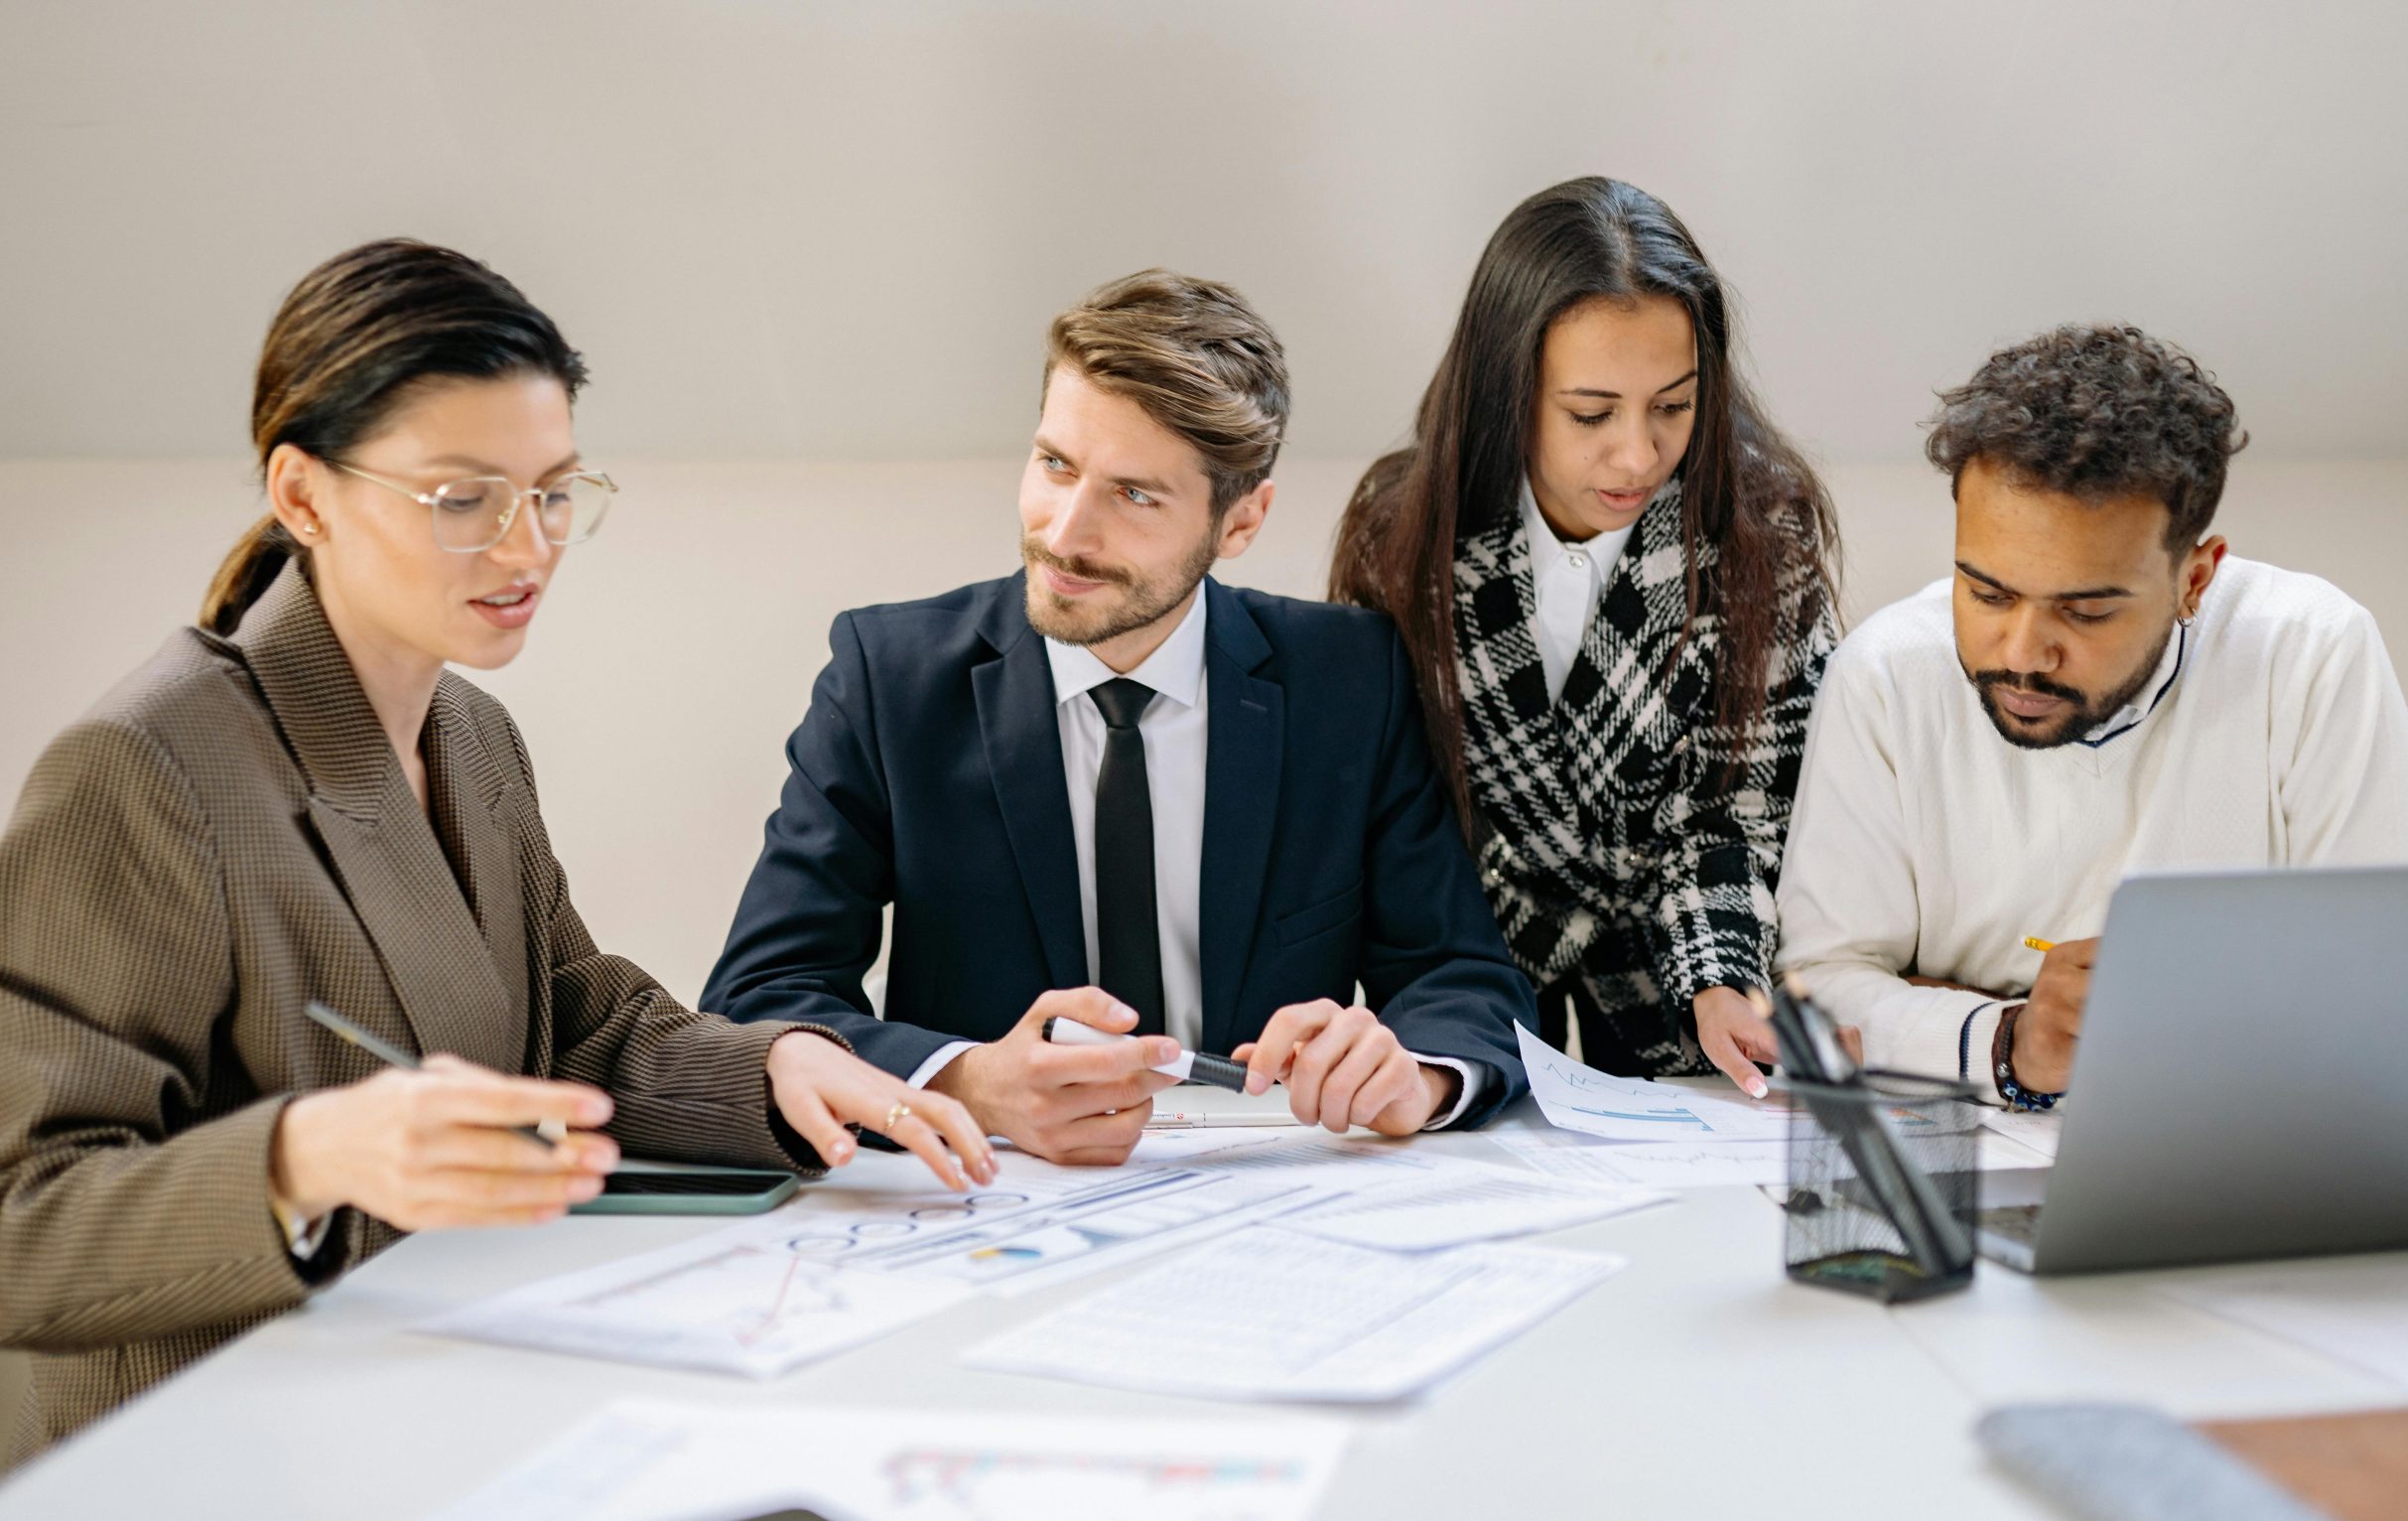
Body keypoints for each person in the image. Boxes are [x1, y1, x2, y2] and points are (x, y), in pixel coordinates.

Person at [0, 240, 992, 1466]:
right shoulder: (146, 769)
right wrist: (304, 1155)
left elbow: (568, 1026)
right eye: (462, 499)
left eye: (554, 492)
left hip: (433, 1393)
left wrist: (776, 1062)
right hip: (207, 1448)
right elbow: (21, 1222)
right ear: (303, 496)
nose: (528, 550)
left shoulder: (469, 731)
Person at [704, 270, 1535, 1163]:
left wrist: (1416, 1073)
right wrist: (968, 1082)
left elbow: (1464, 978)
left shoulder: (1350, 681)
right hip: (983, 1211)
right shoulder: (889, 678)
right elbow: (760, 997)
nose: (1064, 533)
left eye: (1135, 495)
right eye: (1055, 465)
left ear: (1241, 521)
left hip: (1264, 1197)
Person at [1775, 324, 2408, 1109]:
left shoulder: (2310, 653)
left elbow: (2400, 987)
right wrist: (2011, 1037)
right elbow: (1816, 990)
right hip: (1960, 1165)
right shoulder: (1887, 676)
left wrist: (1934, 1002)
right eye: (1987, 593)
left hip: (2242, 1154)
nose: (2022, 653)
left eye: (2086, 611)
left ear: (2195, 576)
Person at [1329, 176, 1844, 1090]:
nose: (1638, 454)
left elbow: (1744, 801)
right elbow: (1399, 802)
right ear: (1504, 391)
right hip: (1469, 976)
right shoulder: (1402, 530)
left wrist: (1722, 974)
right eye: (1591, 414)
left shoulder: (1764, 530)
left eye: (1675, 406)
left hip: (1687, 980)